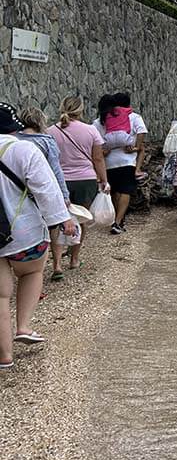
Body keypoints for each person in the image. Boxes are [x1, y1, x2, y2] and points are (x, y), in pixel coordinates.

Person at [1, 102, 75, 370]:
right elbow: (46, 188)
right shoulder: (23, 149)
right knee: (31, 273)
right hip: (25, 233)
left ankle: (4, 356)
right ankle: (23, 326)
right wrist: (62, 220)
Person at [47, 96, 109, 272]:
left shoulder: (50, 131)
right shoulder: (90, 130)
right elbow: (98, 158)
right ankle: (74, 259)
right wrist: (104, 180)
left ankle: (57, 264)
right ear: (80, 110)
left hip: (59, 182)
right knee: (80, 219)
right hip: (85, 180)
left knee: (58, 220)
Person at [17, 107, 70, 281]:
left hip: (20, 196)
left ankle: (23, 269)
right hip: (43, 192)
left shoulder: (13, 140)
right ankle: (56, 265)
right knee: (52, 228)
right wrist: (64, 197)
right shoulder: (46, 141)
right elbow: (56, 172)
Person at [93, 92, 147, 235]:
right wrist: (136, 147)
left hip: (108, 162)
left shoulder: (99, 121)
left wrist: (103, 151)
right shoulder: (133, 117)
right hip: (127, 160)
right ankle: (118, 221)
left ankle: (117, 219)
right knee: (125, 191)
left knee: (115, 191)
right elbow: (142, 131)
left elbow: (96, 141)